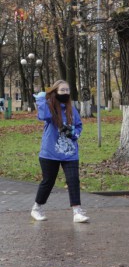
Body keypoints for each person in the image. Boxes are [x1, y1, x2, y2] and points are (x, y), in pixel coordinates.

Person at [30, 80, 88, 223]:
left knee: (73, 180)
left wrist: (73, 133)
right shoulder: (49, 107)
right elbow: (43, 116)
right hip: (50, 152)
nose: (65, 92)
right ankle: (37, 208)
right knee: (48, 181)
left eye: (67, 90)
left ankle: (77, 212)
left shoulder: (72, 109)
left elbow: (79, 126)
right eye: (62, 90)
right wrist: (43, 98)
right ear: (55, 92)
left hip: (70, 153)